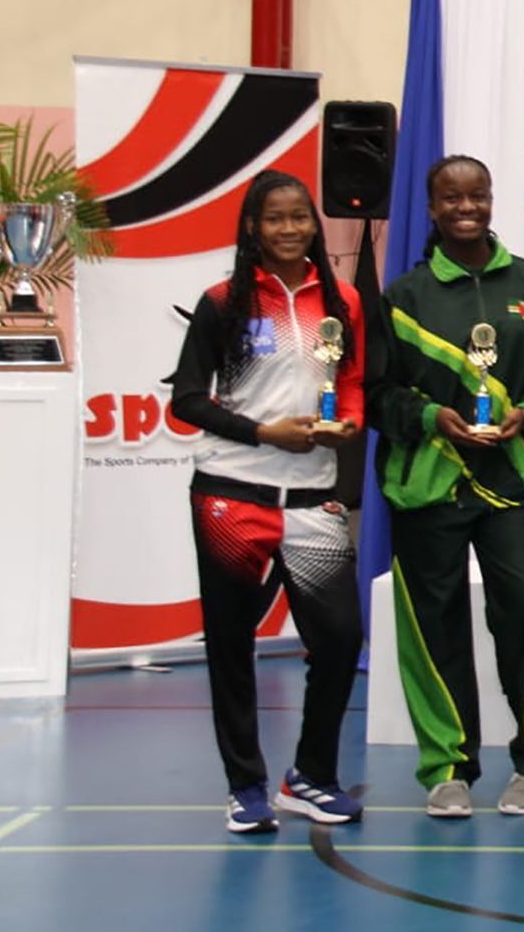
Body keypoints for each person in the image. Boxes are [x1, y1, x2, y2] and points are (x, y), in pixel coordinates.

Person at [367, 154, 524, 819]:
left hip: (511, 483)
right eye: (452, 198)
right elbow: (377, 395)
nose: (467, 208)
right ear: (432, 208)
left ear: (491, 199)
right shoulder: (405, 297)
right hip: (427, 485)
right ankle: (447, 768)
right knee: (434, 625)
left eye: (477, 195)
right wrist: (433, 417)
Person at [168, 170, 365, 835]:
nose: (289, 229)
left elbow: (352, 381)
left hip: (312, 497)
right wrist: (262, 432)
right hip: (232, 494)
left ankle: (310, 776)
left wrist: (349, 422)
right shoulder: (222, 301)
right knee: (231, 645)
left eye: (299, 217)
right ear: (252, 227)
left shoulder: (342, 300)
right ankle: (245, 786)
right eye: (274, 218)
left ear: (314, 224)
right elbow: (187, 400)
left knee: (339, 638)